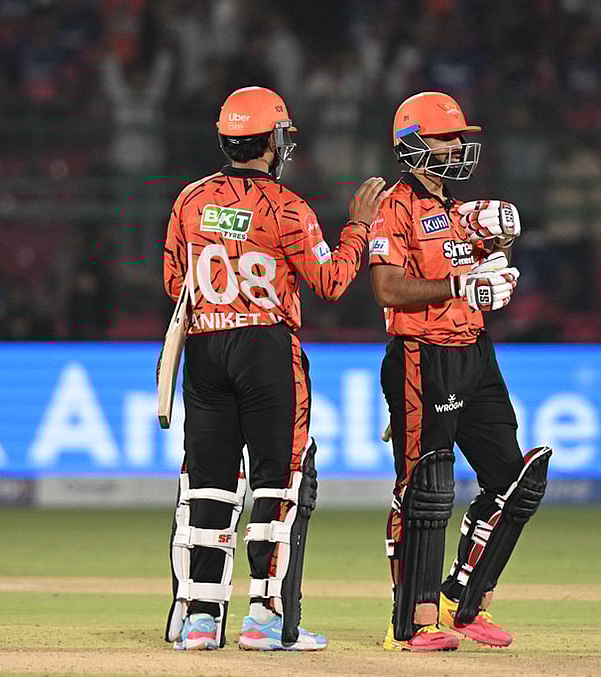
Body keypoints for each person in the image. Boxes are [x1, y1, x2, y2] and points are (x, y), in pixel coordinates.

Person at [161, 86, 386, 652]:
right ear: (273, 141)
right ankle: (264, 619)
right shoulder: (288, 209)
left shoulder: (189, 200)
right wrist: (358, 228)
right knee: (277, 482)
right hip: (267, 351)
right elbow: (331, 282)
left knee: (207, 485)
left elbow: (173, 283)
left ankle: (199, 621)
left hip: (206, 350)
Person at [368, 91, 552, 652]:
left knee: (516, 480)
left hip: (475, 352)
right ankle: (413, 622)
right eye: (449, 138)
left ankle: (465, 603)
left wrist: (494, 262)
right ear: (414, 144)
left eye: (460, 138)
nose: (460, 146)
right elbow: (385, 286)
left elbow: (474, 270)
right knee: (425, 490)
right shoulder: (393, 207)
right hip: (421, 356)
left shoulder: (455, 210)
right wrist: (459, 284)